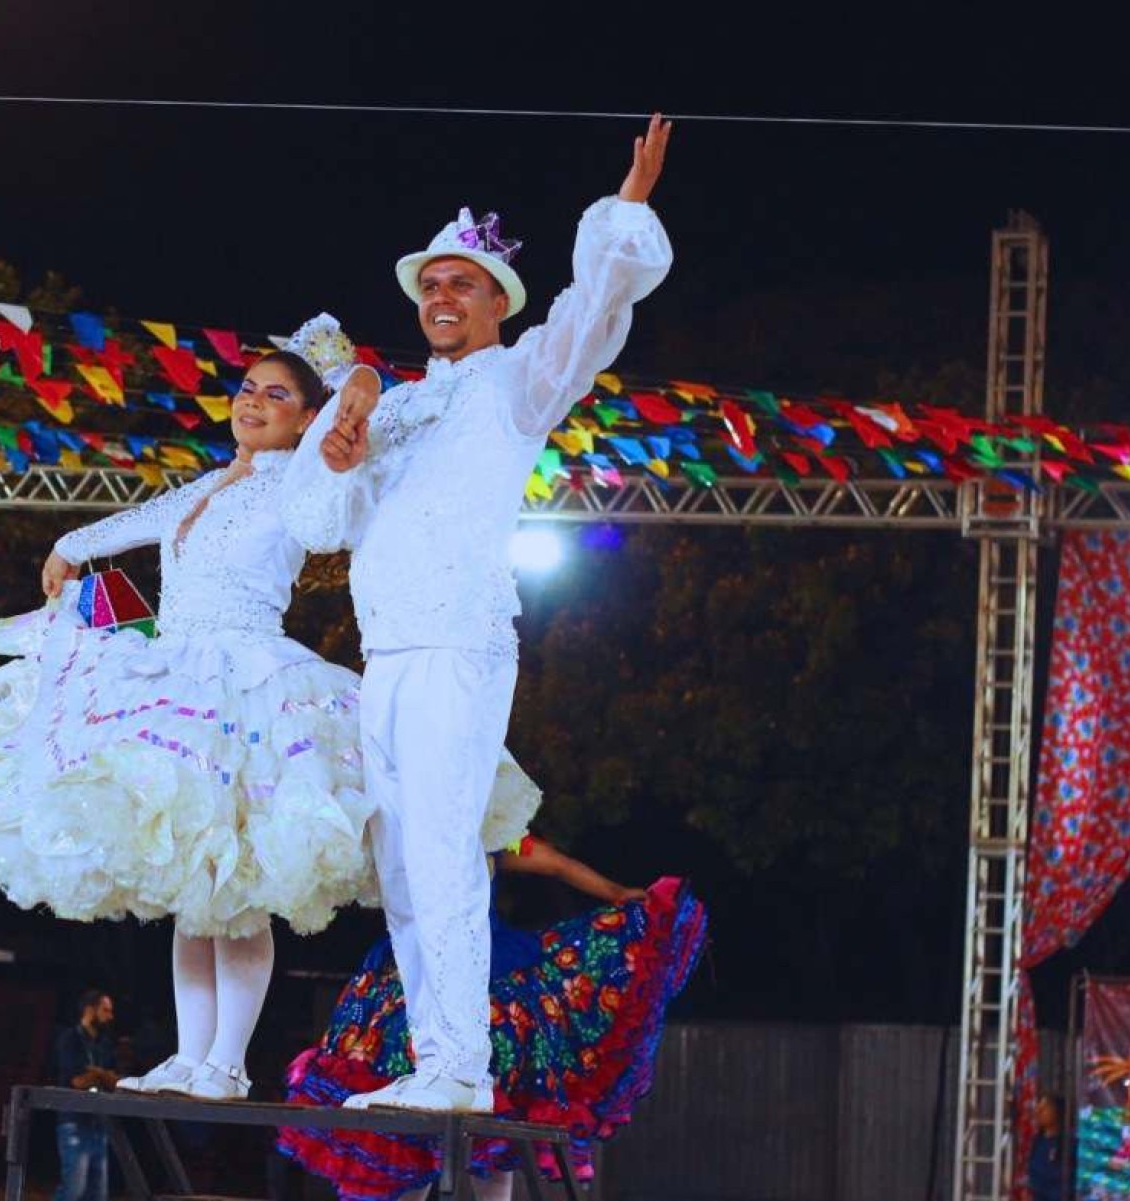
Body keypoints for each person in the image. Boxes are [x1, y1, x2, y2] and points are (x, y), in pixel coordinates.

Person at [0, 316, 540, 1101]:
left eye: (278, 394)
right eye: (249, 388)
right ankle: (193, 1054)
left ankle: (227, 1060)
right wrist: (73, 545)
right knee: (196, 887)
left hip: (248, 681)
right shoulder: (211, 482)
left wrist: (348, 403)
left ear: (304, 414)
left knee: (239, 881)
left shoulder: (303, 481)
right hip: (176, 670)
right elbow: (138, 521)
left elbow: (330, 513)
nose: (254, 402)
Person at [280, 118, 675, 1114]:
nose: (441, 297)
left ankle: (461, 1069)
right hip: (388, 654)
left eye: (461, 283)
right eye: (430, 285)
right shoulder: (398, 405)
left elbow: (592, 315)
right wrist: (344, 424)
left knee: (448, 848)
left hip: (459, 644)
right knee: (404, 864)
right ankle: (439, 1059)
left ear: (497, 302)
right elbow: (325, 518)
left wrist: (626, 206)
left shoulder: (514, 381)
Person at [277, 837, 705, 1201]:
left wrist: (613, 891)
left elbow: (554, 863)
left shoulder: (491, 832)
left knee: (499, 1110)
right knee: (396, 1119)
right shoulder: (400, 824)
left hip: (489, 976)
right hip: (409, 980)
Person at [50, 990, 117, 1201]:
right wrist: (102, 1076)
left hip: (99, 1125)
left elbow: (115, 1081)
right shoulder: (70, 1038)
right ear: (90, 1010)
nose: (110, 1016)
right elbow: (77, 1082)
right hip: (75, 1123)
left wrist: (95, 1073)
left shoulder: (104, 1043)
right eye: (105, 1010)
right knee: (73, 1191)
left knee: (97, 1195)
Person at [1028, 1094, 1065, 1201]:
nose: (1038, 1111)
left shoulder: (1067, 1144)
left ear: (1056, 1112)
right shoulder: (1037, 1141)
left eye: (1045, 1108)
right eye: (1039, 1107)